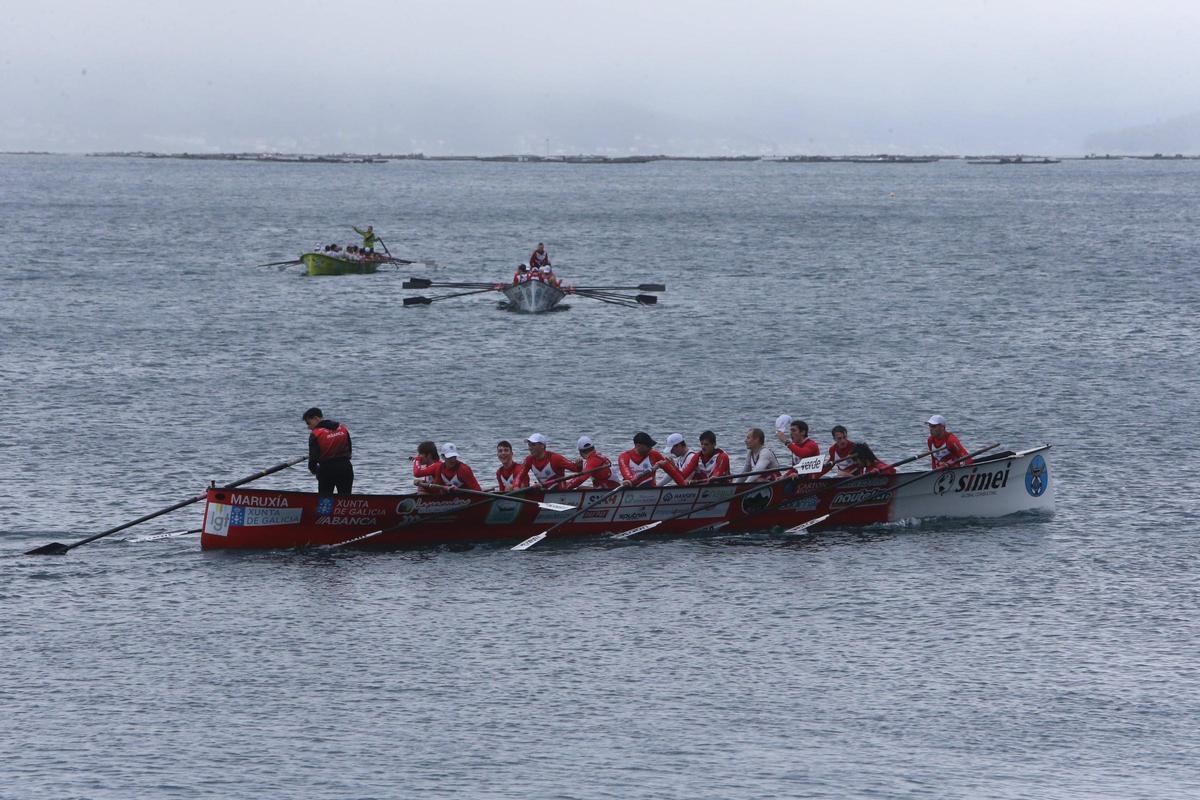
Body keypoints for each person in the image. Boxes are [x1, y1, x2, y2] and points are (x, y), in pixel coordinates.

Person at [304, 407, 353, 495]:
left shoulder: (316, 434)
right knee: (345, 498)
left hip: (326, 470)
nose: (308, 427)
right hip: (346, 468)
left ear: (316, 418)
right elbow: (349, 450)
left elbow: (313, 458)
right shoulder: (342, 428)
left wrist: (315, 471)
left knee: (325, 499)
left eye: (308, 423)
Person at [617, 432, 687, 488]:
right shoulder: (624, 457)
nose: (651, 448)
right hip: (632, 490)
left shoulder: (654, 454)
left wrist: (684, 487)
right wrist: (653, 469)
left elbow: (673, 473)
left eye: (651, 446)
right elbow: (629, 478)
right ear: (638, 446)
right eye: (648, 446)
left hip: (650, 491)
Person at [413, 442, 482, 493]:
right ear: (443, 457)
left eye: (454, 456)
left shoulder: (464, 469)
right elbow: (436, 488)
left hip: (465, 497)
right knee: (421, 488)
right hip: (450, 499)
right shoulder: (439, 468)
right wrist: (423, 483)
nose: (452, 460)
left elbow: (477, 490)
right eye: (449, 457)